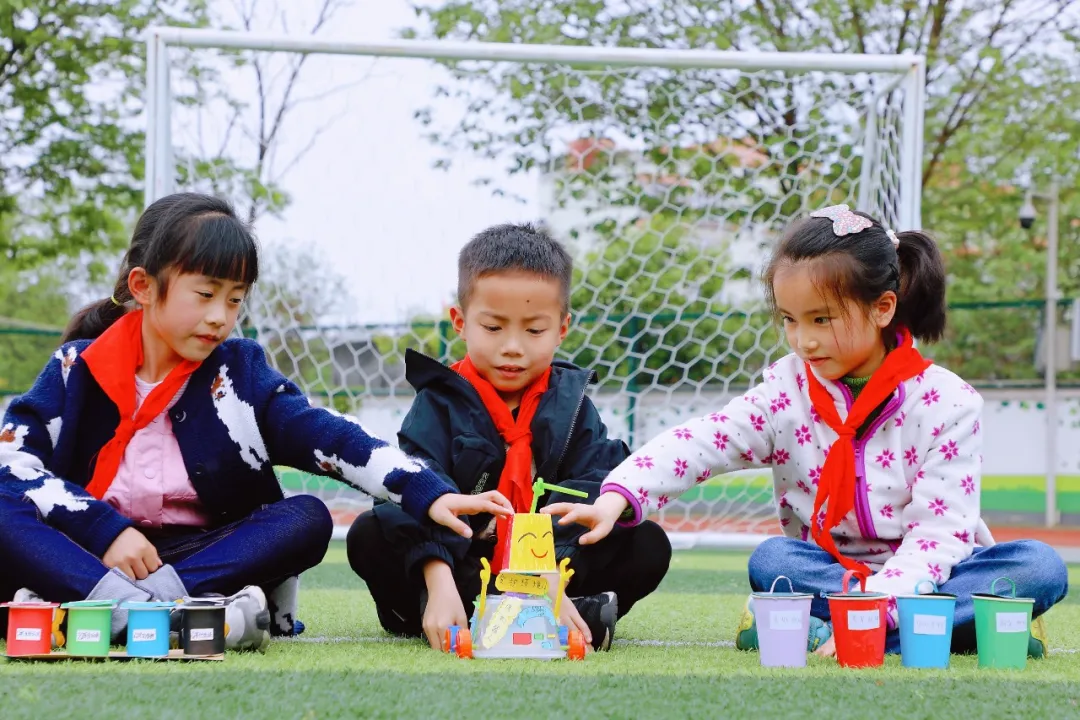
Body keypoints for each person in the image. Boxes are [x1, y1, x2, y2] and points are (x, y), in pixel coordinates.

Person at [543, 204, 1069, 657]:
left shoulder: (948, 403)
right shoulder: (786, 391)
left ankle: (843, 628)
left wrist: (881, 605)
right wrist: (619, 493)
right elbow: (706, 439)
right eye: (790, 320)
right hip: (826, 571)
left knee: (1038, 567)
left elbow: (941, 533)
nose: (802, 340)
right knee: (773, 562)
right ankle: (960, 629)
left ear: (883, 308)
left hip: (931, 577)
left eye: (821, 319)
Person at [0, 192, 508, 651]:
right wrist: (106, 531)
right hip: (89, 552)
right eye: (205, 294)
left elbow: (329, 435)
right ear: (144, 286)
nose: (222, 315)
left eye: (236, 298)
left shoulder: (238, 371)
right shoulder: (76, 368)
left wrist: (430, 492)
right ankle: (148, 611)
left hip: (193, 560)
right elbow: (12, 461)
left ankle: (123, 611)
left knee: (306, 518)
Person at [347, 223, 672, 652]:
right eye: (494, 328)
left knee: (647, 542)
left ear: (562, 328)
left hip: (554, 565)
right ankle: (437, 607)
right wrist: (436, 572)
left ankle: (565, 605)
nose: (513, 347)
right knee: (369, 533)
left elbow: (594, 483)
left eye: (534, 330)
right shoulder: (438, 402)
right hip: (464, 565)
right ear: (461, 323)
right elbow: (413, 484)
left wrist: (551, 568)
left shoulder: (572, 405)